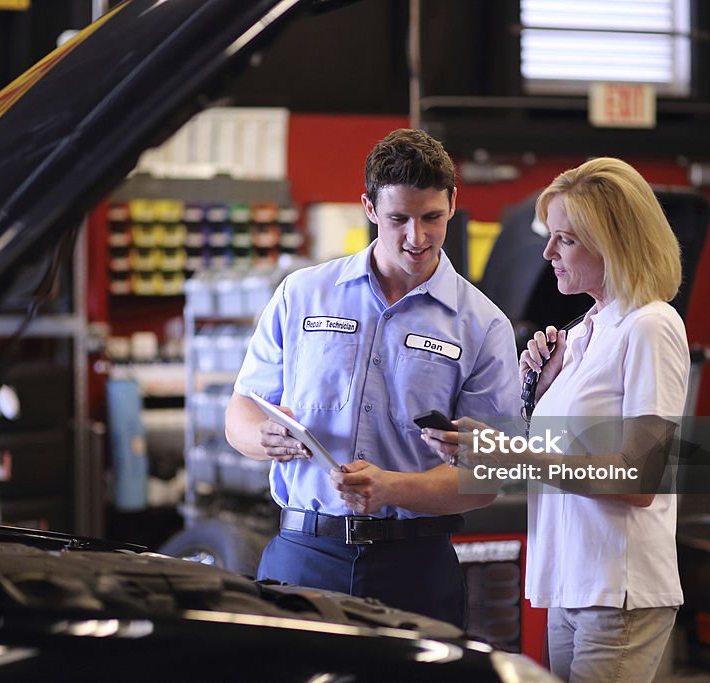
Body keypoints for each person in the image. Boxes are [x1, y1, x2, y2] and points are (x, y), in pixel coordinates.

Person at [224, 128, 523, 627]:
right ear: (368, 208)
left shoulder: (483, 324)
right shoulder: (302, 295)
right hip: (303, 555)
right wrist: (263, 437)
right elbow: (241, 411)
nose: (416, 238)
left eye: (432, 217)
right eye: (398, 219)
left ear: (453, 202)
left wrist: (393, 489)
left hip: (415, 567)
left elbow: (488, 477)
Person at [424, 157, 688, 681]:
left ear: (611, 244)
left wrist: (515, 453)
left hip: (617, 589)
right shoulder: (588, 330)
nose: (548, 254)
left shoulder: (651, 327)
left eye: (564, 240)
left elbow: (639, 478)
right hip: (572, 581)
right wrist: (519, 417)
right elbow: (563, 459)